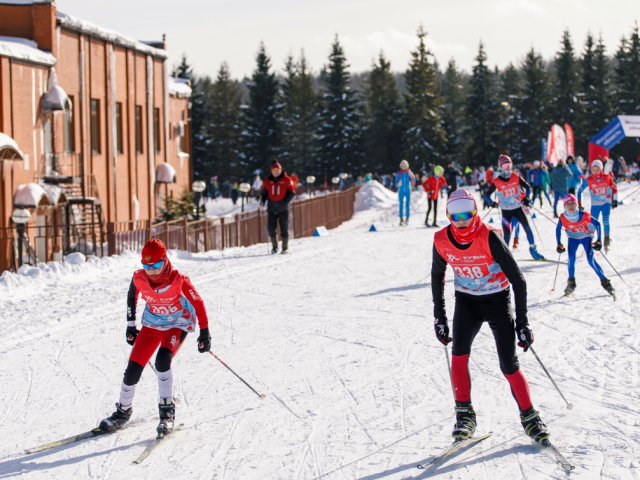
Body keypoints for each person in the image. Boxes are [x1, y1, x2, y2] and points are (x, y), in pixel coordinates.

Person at [431, 189, 549, 444]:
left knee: (509, 364)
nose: (461, 220)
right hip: (467, 303)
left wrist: (523, 323)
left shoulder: (490, 236)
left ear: (475, 213)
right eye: (454, 216)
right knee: (459, 357)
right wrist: (439, 317)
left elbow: (518, 280)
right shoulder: (441, 239)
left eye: (466, 214)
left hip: (497, 300)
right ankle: (465, 416)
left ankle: (530, 417)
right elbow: (437, 276)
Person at [99, 239, 211, 436]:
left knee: (162, 361)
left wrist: (204, 332)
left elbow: (198, 303)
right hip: (152, 325)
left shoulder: (179, 280)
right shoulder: (139, 278)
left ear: (165, 260)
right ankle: (122, 412)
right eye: (147, 265)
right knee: (133, 368)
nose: (151, 270)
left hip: (176, 325)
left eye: (156, 265)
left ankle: (167, 414)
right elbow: (131, 297)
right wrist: (131, 326)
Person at [484, 155, 545, 260]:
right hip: (505, 211)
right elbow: (487, 194)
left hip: (517, 209)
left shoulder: (515, 176)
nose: (508, 167)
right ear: (500, 166)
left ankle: (533, 249)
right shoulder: (497, 181)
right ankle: (504, 255)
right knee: (507, 235)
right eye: (505, 165)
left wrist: (526, 197)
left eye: (509, 164)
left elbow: (527, 187)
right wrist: (490, 202)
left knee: (527, 229)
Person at [555, 194, 614, 298]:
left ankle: (605, 282)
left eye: (573, 203)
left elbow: (598, 224)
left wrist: (599, 240)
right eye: (568, 204)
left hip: (586, 237)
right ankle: (571, 283)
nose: (571, 206)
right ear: (564, 206)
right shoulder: (563, 217)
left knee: (591, 261)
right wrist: (559, 243)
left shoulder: (584, 215)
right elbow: (558, 228)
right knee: (571, 259)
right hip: (573, 239)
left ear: (576, 204)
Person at [577, 159, 618, 252]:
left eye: (597, 169)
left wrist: (615, 200)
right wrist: (580, 204)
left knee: (605, 221)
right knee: (593, 224)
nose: (595, 171)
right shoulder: (589, 179)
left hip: (606, 203)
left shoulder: (607, 177)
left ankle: (606, 241)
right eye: (593, 169)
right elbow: (580, 191)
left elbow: (614, 188)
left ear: (601, 169)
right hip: (595, 205)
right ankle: (591, 242)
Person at [260, 159, 295, 254]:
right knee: (271, 228)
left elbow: (291, 192)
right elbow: (264, 193)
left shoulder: (287, 180)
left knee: (284, 228)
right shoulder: (267, 181)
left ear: (280, 170)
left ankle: (285, 248)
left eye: (277, 170)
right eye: (274, 170)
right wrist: (262, 201)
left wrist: (284, 202)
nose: (276, 172)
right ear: (271, 171)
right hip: (271, 208)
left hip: (283, 208)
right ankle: (274, 247)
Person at [395, 160, 415, 226]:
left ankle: (407, 218)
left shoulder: (409, 173)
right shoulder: (399, 173)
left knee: (407, 205)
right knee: (401, 205)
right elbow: (395, 183)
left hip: (408, 190)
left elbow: (413, 182)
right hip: (401, 191)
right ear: (401, 166)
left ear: (407, 166)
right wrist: (398, 184)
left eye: (405, 166)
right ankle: (401, 219)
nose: (403, 167)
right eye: (402, 166)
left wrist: (412, 176)